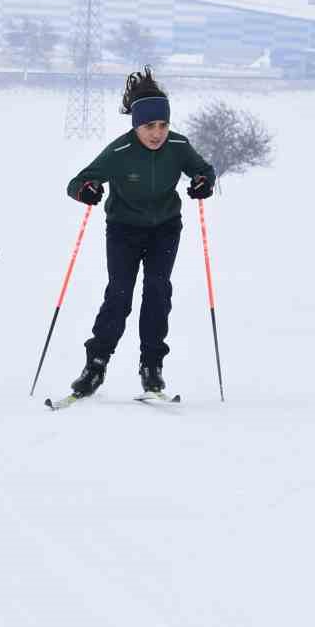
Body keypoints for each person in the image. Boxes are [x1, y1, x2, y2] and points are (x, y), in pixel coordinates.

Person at [62, 67, 216, 399]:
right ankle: (96, 364)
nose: (157, 133)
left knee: (158, 292)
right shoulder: (119, 152)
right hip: (123, 230)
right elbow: (77, 183)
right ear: (136, 125)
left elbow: (203, 170)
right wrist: (86, 191)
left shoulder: (177, 145)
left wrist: (204, 183)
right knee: (119, 295)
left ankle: (152, 367)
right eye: (149, 126)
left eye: (163, 125)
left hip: (165, 228)